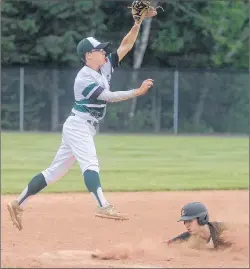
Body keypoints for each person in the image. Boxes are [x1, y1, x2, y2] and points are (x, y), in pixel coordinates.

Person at [7, 11, 157, 231]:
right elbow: (108, 97)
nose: (105, 52)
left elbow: (125, 46)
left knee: (54, 172)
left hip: (81, 125)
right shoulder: (83, 78)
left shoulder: (103, 66)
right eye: (99, 50)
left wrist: (137, 23)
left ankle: (17, 203)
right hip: (79, 126)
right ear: (88, 55)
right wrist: (137, 91)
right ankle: (102, 205)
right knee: (90, 163)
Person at [165, 202, 232, 249]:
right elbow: (168, 244)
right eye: (185, 221)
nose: (186, 225)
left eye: (190, 221)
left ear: (202, 219)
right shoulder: (188, 236)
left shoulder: (222, 230)